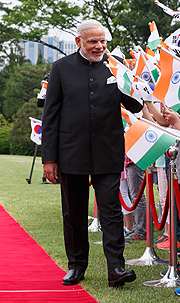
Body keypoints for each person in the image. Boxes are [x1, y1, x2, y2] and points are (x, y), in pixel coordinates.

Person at [41, 19, 143, 287]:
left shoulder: (116, 68)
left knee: (111, 211)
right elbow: (49, 116)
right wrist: (49, 159)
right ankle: (76, 266)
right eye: (93, 41)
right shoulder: (61, 69)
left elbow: (135, 105)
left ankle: (116, 268)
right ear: (78, 42)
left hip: (108, 152)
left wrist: (132, 80)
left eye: (103, 41)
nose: (99, 46)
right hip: (70, 153)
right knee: (73, 212)